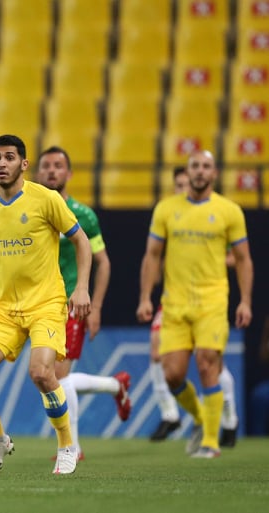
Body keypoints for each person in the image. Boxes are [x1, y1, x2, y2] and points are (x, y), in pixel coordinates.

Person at [0, 134, 92, 474]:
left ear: (23, 163)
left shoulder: (45, 199)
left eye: (9, 157)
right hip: (5, 307)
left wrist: (82, 288)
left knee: (41, 373)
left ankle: (67, 444)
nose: (1, 163)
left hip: (47, 304)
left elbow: (82, 242)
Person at [136, 150, 253, 458]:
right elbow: (152, 255)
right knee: (173, 374)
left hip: (212, 300)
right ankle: (202, 419)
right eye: (195, 166)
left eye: (206, 167)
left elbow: (243, 259)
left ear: (214, 174)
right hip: (174, 302)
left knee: (207, 362)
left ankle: (211, 443)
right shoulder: (166, 209)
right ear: (187, 173)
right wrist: (146, 296)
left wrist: (245, 301)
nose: (200, 172)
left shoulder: (229, 211)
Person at [35, 146, 129, 460]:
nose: (51, 171)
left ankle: (72, 447)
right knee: (46, 377)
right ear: (37, 173)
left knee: (56, 377)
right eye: (46, 165)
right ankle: (116, 387)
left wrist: (95, 305)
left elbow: (103, 262)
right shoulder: (31, 211)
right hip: (37, 306)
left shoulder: (83, 215)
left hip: (70, 306)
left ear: (69, 174)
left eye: (58, 165)